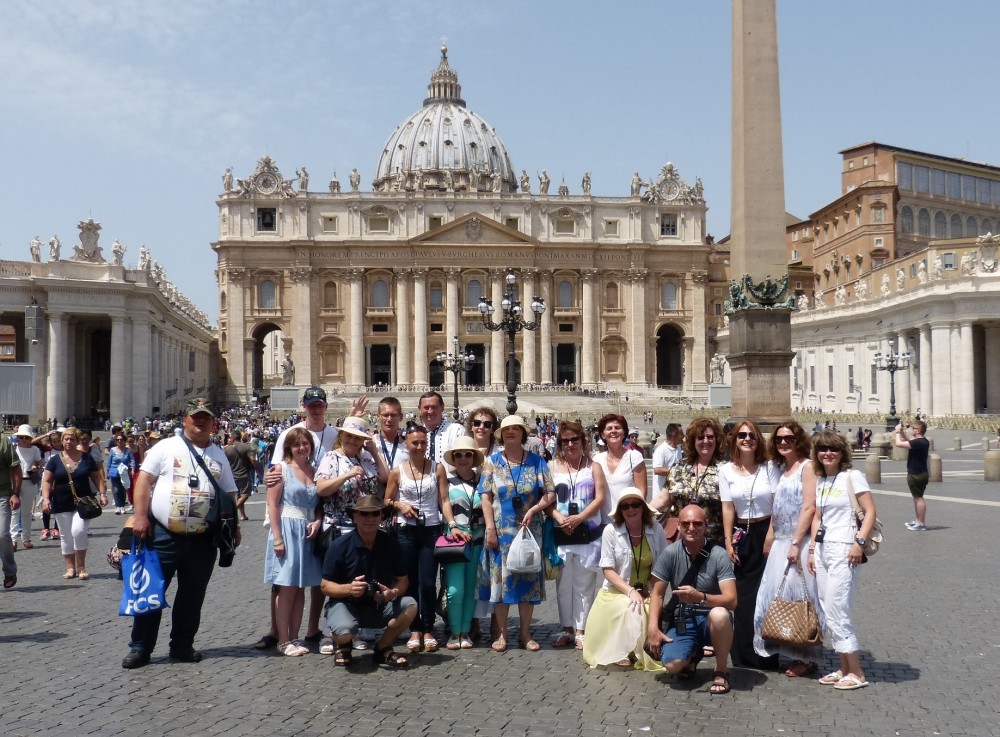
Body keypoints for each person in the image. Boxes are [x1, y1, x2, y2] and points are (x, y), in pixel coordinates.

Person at [121, 399, 240, 669]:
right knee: (151, 591)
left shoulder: (219, 454)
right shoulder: (165, 447)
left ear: (213, 423)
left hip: (203, 538)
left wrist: (234, 527)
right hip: (163, 534)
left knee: (192, 595)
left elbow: (230, 493)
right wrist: (140, 516)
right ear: (185, 419)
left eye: (206, 417)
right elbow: (144, 481)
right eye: (196, 417)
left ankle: (182, 644)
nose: (201, 422)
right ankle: (140, 647)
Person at [478, 415, 556, 653]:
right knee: (502, 584)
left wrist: (534, 509)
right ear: (501, 434)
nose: (511, 432)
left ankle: (525, 633)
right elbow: (485, 497)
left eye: (516, 428)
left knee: (527, 582)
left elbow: (550, 493)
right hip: (500, 531)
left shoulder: (537, 461)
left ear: (523, 433)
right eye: (507, 429)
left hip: (528, 529)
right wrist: (490, 528)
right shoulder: (491, 462)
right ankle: (502, 634)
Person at [807, 430, 877, 690]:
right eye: (822, 449)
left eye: (833, 449)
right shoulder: (821, 480)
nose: (827, 453)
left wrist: (859, 542)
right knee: (827, 608)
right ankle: (844, 667)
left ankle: (857, 672)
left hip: (845, 549)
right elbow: (818, 517)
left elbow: (870, 511)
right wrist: (812, 549)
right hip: (823, 550)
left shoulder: (852, 476)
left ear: (842, 452)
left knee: (838, 608)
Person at [753, 421, 822, 677]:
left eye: (789, 438)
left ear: (799, 440)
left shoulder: (808, 467)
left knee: (800, 598)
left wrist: (796, 542)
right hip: (781, 541)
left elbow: (809, 507)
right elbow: (778, 507)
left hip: (797, 542)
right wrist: (770, 536)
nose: (783, 442)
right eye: (779, 439)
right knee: (777, 596)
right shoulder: (783, 469)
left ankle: (806, 656)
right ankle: (788, 647)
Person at [646, 504, 737, 695]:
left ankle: (721, 670)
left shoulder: (719, 554)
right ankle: (693, 654)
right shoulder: (670, 553)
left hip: (711, 619)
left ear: (706, 525)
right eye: (686, 523)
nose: (691, 528)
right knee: (672, 666)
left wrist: (701, 597)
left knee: (720, 615)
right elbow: (657, 593)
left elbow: (732, 600)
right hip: (683, 619)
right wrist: (653, 628)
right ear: (678, 525)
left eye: (697, 523)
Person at [320, 495, 418, 668]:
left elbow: (403, 580)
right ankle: (343, 645)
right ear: (355, 516)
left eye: (375, 514)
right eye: (364, 514)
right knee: (345, 631)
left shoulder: (391, 544)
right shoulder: (339, 546)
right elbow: (325, 586)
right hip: (346, 604)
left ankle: (383, 647)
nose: (370, 518)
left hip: (379, 604)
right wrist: (349, 589)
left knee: (411, 605)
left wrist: (392, 593)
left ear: (381, 517)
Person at [720, 420, 780, 670]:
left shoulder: (770, 467)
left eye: (752, 435)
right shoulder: (725, 470)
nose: (747, 439)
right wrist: (728, 541)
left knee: (767, 595)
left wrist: (770, 535)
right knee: (743, 598)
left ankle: (768, 653)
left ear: (758, 440)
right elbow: (727, 507)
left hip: (767, 530)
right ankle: (743, 653)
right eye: (742, 435)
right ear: (734, 440)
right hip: (741, 535)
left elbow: (777, 503)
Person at [582, 489, 664, 670]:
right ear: (620, 511)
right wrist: (630, 591)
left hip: (645, 590)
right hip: (616, 591)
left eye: (635, 504)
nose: (630, 509)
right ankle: (623, 651)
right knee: (632, 608)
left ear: (643, 508)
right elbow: (607, 570)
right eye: (625, 506)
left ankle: (642, 649)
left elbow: (661, 566)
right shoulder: (610, 531)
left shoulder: (656, 529)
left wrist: (653, 591)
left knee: (649, 609)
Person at [264, 427, 323, 656]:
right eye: (297, 444)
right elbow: (272, 504)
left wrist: (318, 521)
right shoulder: (281, 469)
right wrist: (278, 538)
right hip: (288, 529)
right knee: (287, 588)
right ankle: (283, 640)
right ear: (289, 447)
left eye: (305, 443)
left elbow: (319, 505)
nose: (302, 447)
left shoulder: (314, 470)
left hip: (307, 532)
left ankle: (295, 637)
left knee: (300, 589)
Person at [384, 424, 442, 653]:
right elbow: (387, 500)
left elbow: (444, 500)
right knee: (409, 581)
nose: (419, 446)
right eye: (414, 442)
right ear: (406, 443)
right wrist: (400, 505)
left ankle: (428, 628)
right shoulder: (397, 471)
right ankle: (414, 628)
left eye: (423, 442)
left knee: (428, 582)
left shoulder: (437, 468)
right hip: (405, 530)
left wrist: (453, 524)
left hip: (431, 529)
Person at [549, 420, 606, 650]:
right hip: (561, 531)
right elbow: (547, 499)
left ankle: (582, 630)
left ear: (583, 441)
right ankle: (566, 628)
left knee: (584, 583)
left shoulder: (593, 466)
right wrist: (559, 517)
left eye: (575, 439)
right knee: (563, 584)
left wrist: (579, 517)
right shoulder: (552, 466)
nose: (570, 444)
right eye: (565, 441)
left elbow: (600, 498)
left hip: (587, 531)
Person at [39, 427, 106, 581]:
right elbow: (47, 481)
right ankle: (70, 568)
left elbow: (97, 477)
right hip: (61, 502)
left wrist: (103, 494)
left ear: (77, 441)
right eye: (66, 439)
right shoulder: (54, 460)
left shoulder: (87, 458)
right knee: (65, 535)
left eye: (72, 439)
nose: (69, 442)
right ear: (62, 441)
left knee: (78, 531)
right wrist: (46, 499)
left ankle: (81, 567)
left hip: (84, 502)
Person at [437, 436, 484, 650]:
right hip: (454, 540)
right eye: (458, 455)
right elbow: (444, 502)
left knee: (470, 588)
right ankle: (454, 632)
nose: (463, 458)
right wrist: (453, 525)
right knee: (455, 589)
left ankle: (465, 631)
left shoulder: (482, 480)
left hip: (477, 540)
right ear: (453, 459)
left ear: (474, 457)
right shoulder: (447, 479)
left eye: (467, 454)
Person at [654, 417, 725, 544]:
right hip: (680, 540)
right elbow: (662, 499)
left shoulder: (725, 470)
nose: (706, 441)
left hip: (713, 541)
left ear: (717, 440)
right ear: (693, 441)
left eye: (710, 437)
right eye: (700, 437)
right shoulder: (679, 467)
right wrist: (639, 513)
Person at [593, 413, 646, 522]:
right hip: (603, 523)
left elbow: (641, 492)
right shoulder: (597, 459)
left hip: (628, 521)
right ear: (603, 434)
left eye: (617, 428)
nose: (613, 431)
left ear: (624, 433)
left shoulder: (634, 457)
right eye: (609, 428)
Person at [894, 421, 930, 531]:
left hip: (917, 474)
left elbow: (899, 444)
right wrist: (902, 431)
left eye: (914, 428)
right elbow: (909, 439)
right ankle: (918, 520)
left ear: (918, 430)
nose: (912, 429)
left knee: (919, 498)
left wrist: (897, 432)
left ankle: (921, 523)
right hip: (918, 473)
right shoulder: (922, 441)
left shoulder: (919, 443)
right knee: (916, 498)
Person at [12, 425, 42, 552]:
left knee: (26, 512)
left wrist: (36, 468)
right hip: (14, 481)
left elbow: (39, 464)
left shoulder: (35, 449)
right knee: (14, 511)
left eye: (26, 437)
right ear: (18, 437)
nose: (24, 439)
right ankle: (13, 539)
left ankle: (26, 538)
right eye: (21, 437)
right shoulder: (13, 448)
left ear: (30, 438)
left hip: (29, 481)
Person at [0, 430, 23, 589]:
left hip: (2, 494)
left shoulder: (3, 442)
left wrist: (15, 493)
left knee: (2, 534)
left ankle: (9, 570)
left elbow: (15, 468)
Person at [418, 391, 467, 465]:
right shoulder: (415, 435)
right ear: (419, 409)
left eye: (434, 407)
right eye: (426, 408)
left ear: (442, 407)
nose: (430, 411)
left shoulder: (457, 430)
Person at [224, 430, 257, 521]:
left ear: (232, 438)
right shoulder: (246, 446)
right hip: (244, 474)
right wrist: (257, 469)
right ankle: (232, 511)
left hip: (232, 475)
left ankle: (243, 515)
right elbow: (253, 459)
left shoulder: (227, 449)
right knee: (246, 494)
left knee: (239, 495)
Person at [651, 423, 684, 499]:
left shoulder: (678, 449)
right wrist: (676, 472)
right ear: (674, 435)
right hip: (661, 496)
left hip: (673, 495)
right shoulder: (661, 450)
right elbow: (657, 470)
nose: (683, 436)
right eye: (681, 434)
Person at [106, 433, 136, 515]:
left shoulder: (128, 450)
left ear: (124, 441)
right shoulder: (112, 450)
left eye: (121, 440)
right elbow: (109, 461)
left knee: (122, 490)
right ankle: (117, 506)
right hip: (114, 472)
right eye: (117, 440)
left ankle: (122, 506)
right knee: (116, 489)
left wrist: (133, 469)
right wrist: (107, 471)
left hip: (124, 472)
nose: (119, 441)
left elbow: (132, 461)